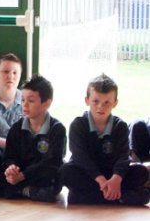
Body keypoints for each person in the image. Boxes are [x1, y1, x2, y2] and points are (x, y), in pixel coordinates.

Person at [60, 74, 150, 205]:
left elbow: (124, 157)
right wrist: (101, 180)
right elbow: (80, 157)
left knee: (141, 172)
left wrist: (116, 179)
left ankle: (90, 197)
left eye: (106, 102)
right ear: (87, 100)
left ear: (115, 103)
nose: (100, 107)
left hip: (112, 174)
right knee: (65, 171)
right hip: (89, 175)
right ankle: (118, 197)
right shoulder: (78, 125)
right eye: (95, 101)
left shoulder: (120, 126)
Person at [0, 75, 66, 202]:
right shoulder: (16, 128)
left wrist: (23, 176)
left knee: (58, 172)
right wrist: (11, 168)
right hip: (21, 173)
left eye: (31, 101)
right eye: (23, 100)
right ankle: (28, 191)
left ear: (46, 103)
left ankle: (20, 190)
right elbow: (9, 156)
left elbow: (52, 161)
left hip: (40, 174)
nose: (25, 105)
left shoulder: (57, 129)